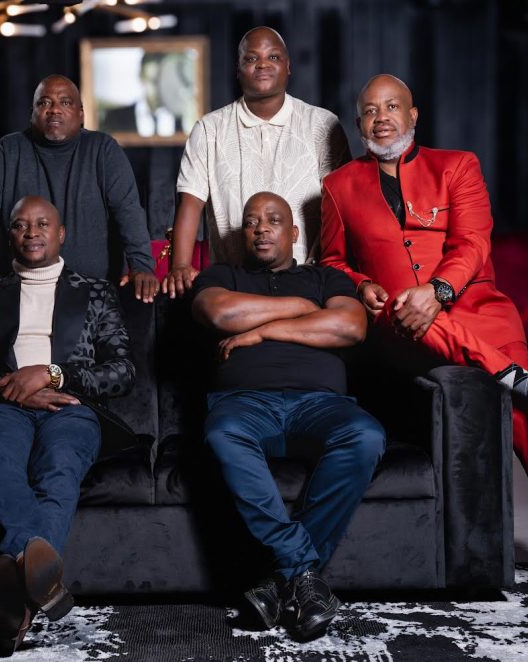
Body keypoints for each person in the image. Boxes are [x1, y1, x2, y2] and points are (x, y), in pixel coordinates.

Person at [319, 74, 528, 595]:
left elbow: (474, 243)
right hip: (400, 324)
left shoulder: (457, 165)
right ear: (359, 123)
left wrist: (438, 291)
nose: (382, 118)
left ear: (413, 115)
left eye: (392, 107)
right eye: (370, 110)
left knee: (520, 413)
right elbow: (333, 261)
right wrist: (362, 285)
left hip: (477, 311)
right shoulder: (338, 187)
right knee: (420, 317)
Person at [0, 195, 135, 655]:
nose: (31, 232)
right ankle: (32, 587)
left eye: (42, 223)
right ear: (7, 236)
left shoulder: (95, 292)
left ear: (61, 233)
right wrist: (12, 388)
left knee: (60, 467)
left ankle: (13, 590)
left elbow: (123, 370)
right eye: (20, 225)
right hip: (1, 407)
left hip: (71, 406)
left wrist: (52, 374)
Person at [191, 191, 385, 641]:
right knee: (222, 434)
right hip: (245, 403)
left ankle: (279, 582)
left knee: (366, 435)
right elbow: (221, 313)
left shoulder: (326, 278)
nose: (261, 227)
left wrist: (261, 333)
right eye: (251, 221)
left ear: (294, 232)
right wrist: (302, 308)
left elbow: (350, 325)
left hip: (320, 403)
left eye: (273, 219)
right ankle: (302, 572)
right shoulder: (222, 275)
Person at [163, 26, 351, 298]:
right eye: (251, 58)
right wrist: (180, 265)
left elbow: (342, 206)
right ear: (238, 70)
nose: (262, 64)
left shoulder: (322, 124)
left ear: (288, 66)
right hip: (234, 281)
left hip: (306, 277)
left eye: (273, 57)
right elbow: (190, 202)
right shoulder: (209, 129)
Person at [0, 74, 158, 304]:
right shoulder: (6, 152)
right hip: (20, 295)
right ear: (32, 113)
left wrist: (141, 266)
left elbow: (128, 211)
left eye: (65, 102)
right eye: (44, 102)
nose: (54, 110)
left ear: (81, 114)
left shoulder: (103, 150)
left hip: (94, 296)